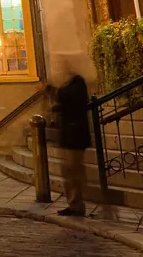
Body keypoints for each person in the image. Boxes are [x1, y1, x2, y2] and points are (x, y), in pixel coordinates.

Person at [50, 57, 91, 217]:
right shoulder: (69, 86)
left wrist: (53, 91)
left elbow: (70, 99)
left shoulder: (77, 83)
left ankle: (76, 204)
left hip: (76, 137)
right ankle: (73, 202)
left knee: (74, 171)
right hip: (69, 136)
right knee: (69, 171)